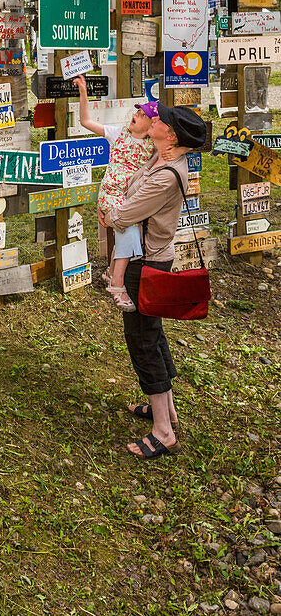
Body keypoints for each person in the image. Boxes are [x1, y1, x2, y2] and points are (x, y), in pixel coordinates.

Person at [99, 103, 207, 462]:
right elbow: (131, 186)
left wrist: (112, 214)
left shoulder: (165, 174)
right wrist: (123, 205)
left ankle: (163, 431)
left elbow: (128, 210)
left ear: (172, 137)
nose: (154, 120)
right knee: (153, 333)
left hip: (145, 263)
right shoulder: (159, 159)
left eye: (161, 121)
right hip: (149, 257)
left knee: (142, 341)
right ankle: (167, 411)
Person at [74, 76, 155, 311]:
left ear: (151, 126)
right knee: (128, 229)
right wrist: (83, 91)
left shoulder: (152, 147)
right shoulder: (117, 134)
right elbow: (86, 121)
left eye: (143, 115)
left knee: (129, 231)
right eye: (137, 112)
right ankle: (117, 285)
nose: (136, 115)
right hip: (111, 194)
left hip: (130, 196)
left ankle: (111, 273)